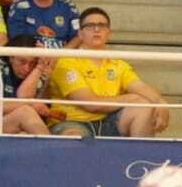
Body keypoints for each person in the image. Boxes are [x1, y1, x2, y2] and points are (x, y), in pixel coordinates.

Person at [46, 8, 169, 137]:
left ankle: (139, 157)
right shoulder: (66, 62)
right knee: (74, 136)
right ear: (80, 34)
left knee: (144, 106)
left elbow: (140, 87)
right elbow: (91, 104)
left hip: (108, 122)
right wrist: (132, 98)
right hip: (72, 122)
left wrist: (160, 103)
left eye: (102, 26)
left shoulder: (119, 64)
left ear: (109, 33)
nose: (97, 29)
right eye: (90, 26)